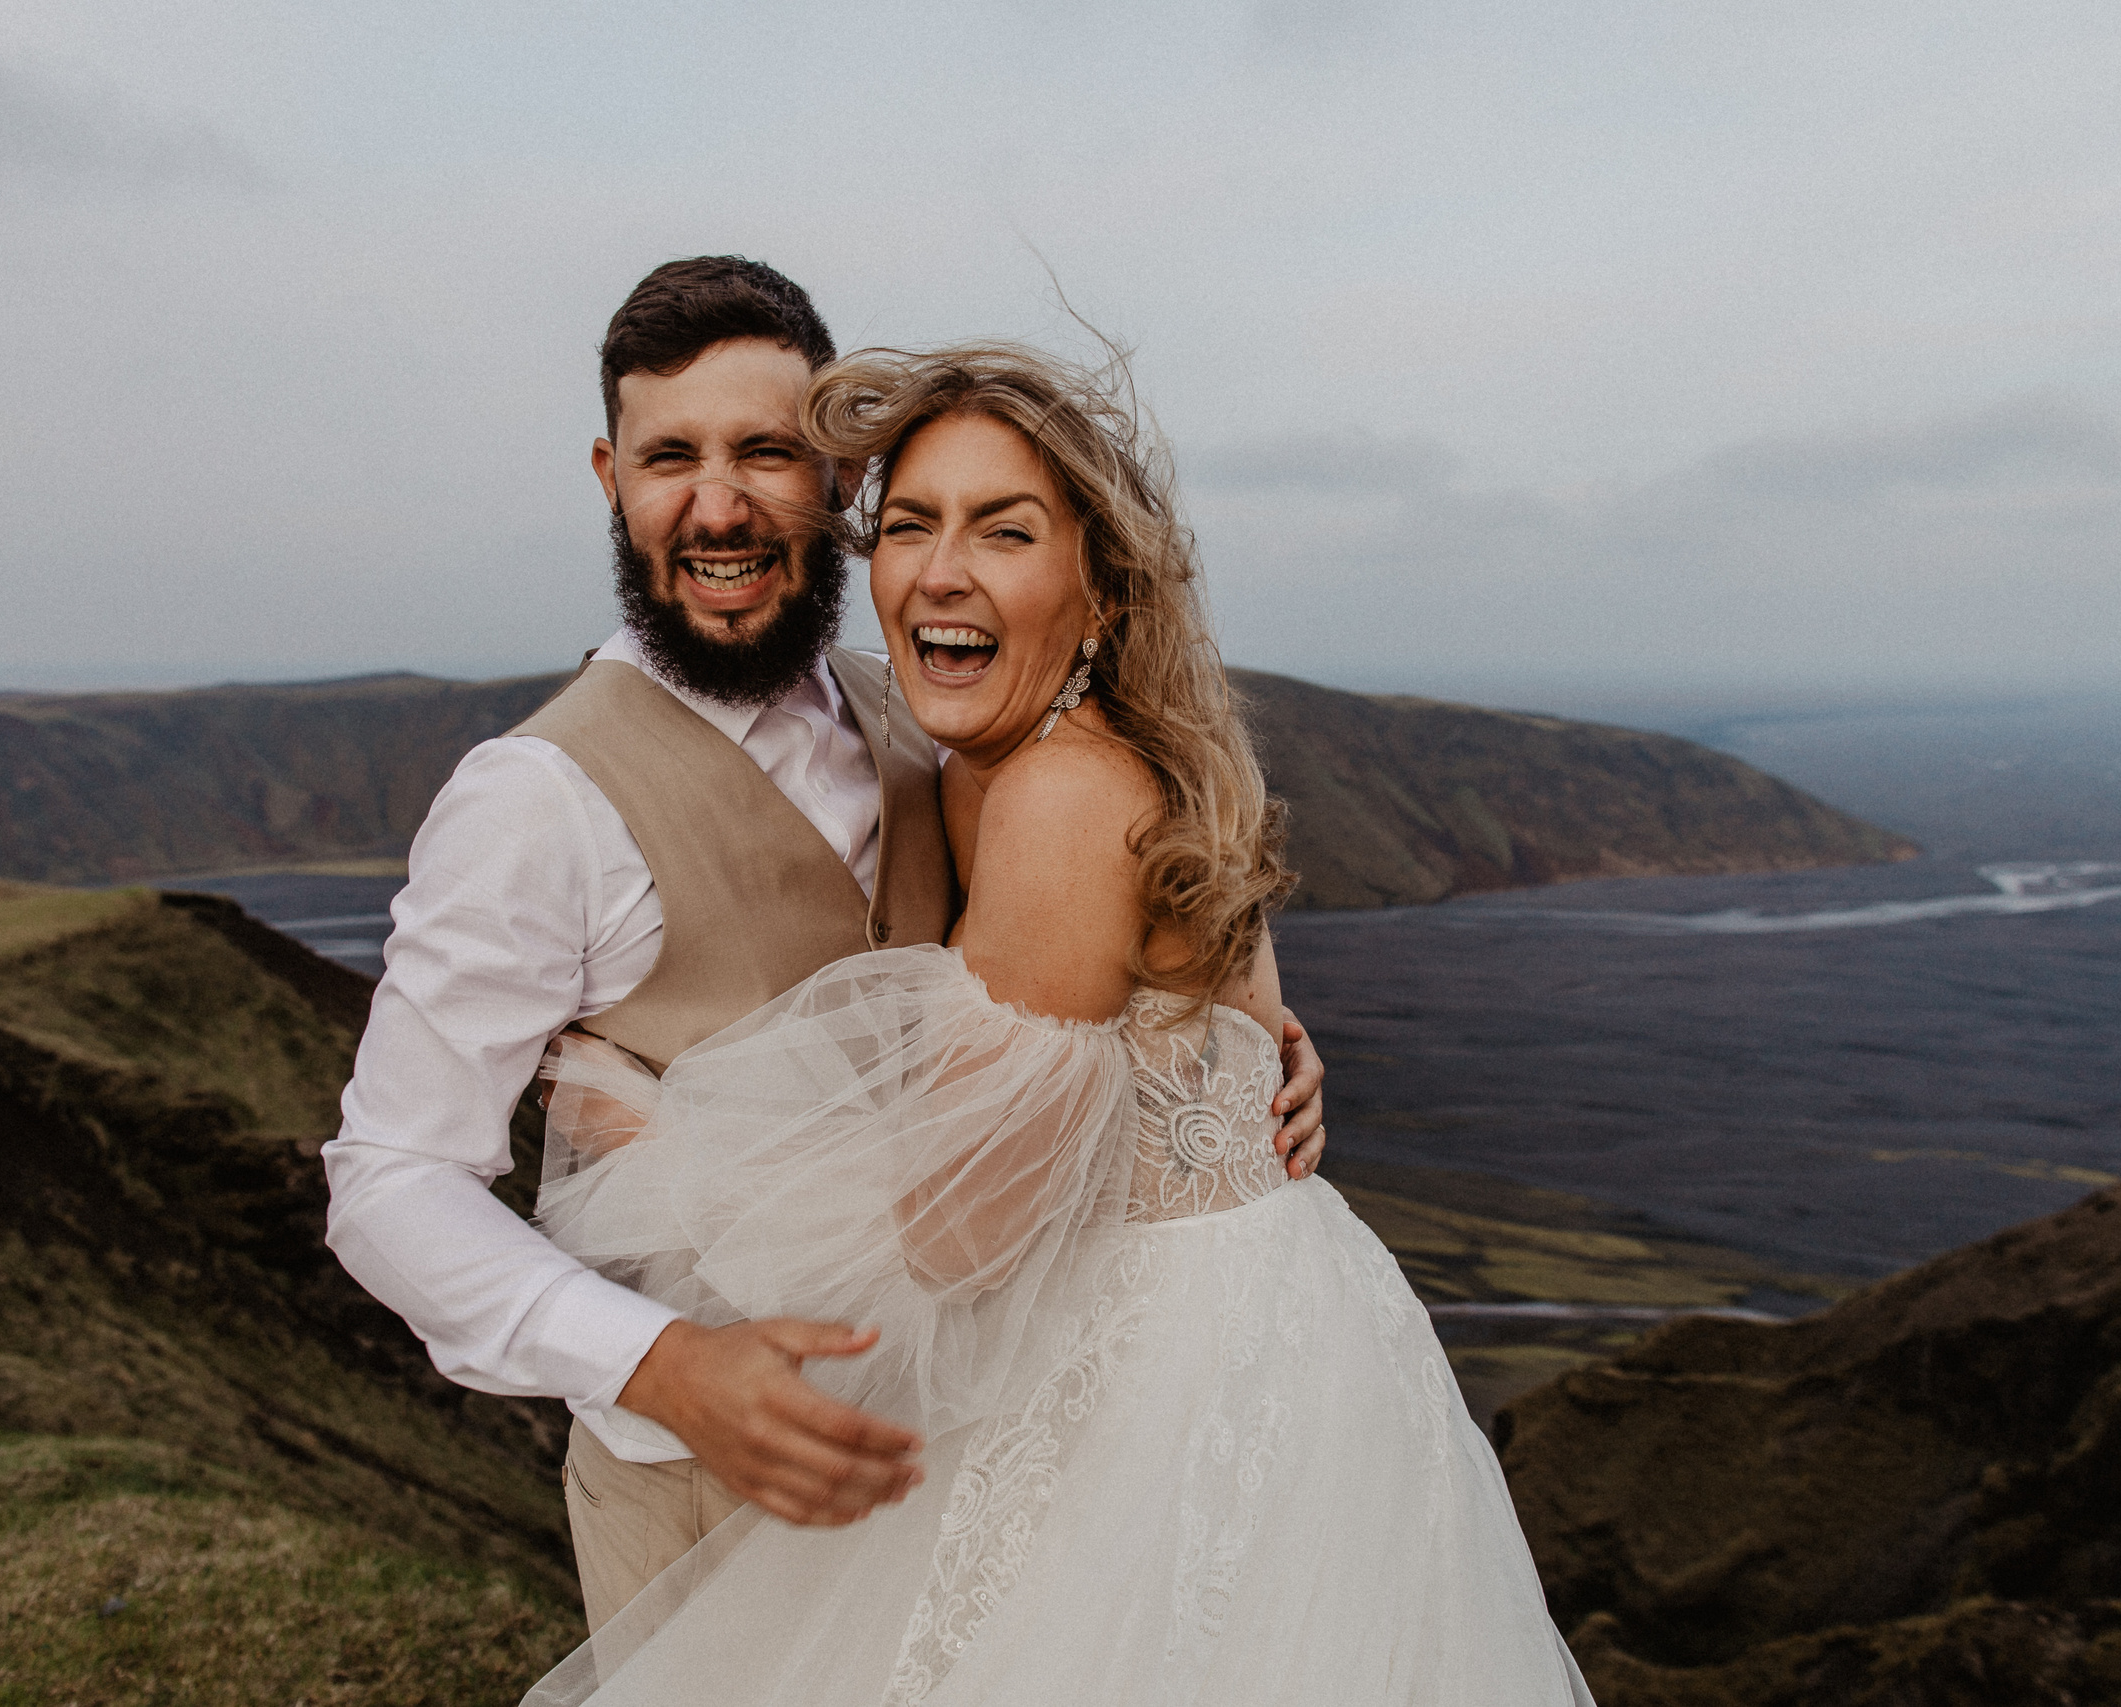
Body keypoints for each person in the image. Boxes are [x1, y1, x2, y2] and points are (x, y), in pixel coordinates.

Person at [515, 344, 1595, 1703]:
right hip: (1243, 1332)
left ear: (1100, 591)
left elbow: (956, 1236)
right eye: (912, 524)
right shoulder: (1006, 758)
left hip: (1168, 1395)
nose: (941, 571)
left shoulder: (1060, 795)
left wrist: (654, 1136)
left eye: (1004, 530)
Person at [321, 257, 1332, 1634]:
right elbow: (390, 1179)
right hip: (701, 1498)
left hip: (980, 1458)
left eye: (765, 453)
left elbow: (1098, 980)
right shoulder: (532, 801)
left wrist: (1228, 1068)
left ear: (838, 482)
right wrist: (657, 1363)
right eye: (669, 457)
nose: (717, 506)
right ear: (611, 479)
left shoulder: (938, 708)